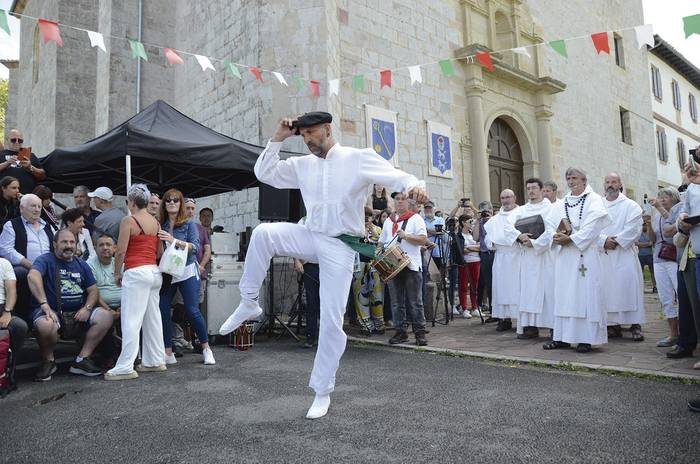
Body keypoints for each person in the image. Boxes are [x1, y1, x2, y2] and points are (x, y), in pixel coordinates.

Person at [218, 112, 427, 419]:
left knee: (330, 318)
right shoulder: (303, 165)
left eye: (311, 133)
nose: (307, 140)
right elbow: (264, 172)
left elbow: (398, 177)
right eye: (302, 136)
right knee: (263, 234)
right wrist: (277, 138)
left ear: (328, 129)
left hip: (340, 246)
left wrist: (416, 186)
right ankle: (249, 302)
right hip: (310, 235)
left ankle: (322, 391)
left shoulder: (358, 158)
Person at [27, 228, 113, 380]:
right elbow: (32, 276)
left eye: (72, 242)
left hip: (79, 313)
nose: (69, 246)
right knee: (46, 325)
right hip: (52, 312)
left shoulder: (81, 264)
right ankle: (49, 361)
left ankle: (81, 360)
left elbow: (93, 291)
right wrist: (44, 304)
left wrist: (87, 308)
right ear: (55, 244)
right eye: (64, 242)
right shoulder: (45, 260)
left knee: (105, 316)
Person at [544, 168, 611, 353]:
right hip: (564, 257)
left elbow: (593, 227)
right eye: (568, 178)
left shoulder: (594, 200)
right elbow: (549, 225)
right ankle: (562, 337)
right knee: (564, 296)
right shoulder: (562, 203)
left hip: (585, 256)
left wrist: (572, 239)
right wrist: (556, 237)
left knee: (584, 296)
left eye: (574, 178)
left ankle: (586, 338)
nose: (571, 181)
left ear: (584, 180)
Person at [105, 185, 165, 380]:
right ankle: (155, 360)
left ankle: (125, 366)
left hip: (136, 272)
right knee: (153, 318)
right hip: (154, 272)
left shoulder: (129, 220)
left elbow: (121, 250)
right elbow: (159, 253)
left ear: (131, 202)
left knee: (131, 320)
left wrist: (116, 273)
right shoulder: (155, 222)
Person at [158, 188, 215, 366]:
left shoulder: (189, 224)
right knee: (163, 309)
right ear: (164, 204)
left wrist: (173, 241)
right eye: (168, 200)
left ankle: (206, 348)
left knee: (192, 309)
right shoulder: (161, 224)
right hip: (168, 271)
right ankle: (168, 351)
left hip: (188, 269)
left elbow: (196, 247)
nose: (172, 202)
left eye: (176, 200)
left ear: (180, 203)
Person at [598, 173, 645, 341]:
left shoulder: (631, 206)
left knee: (628, 287)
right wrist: (603, 241)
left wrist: (616, 241)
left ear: (620, 184)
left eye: (614, 182)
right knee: (608, 290)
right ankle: (613, 325)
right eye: (607, 182)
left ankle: (635, 324)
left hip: (624, 254)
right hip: (604, 255)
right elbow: (590, 227)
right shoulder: (598, 206)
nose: (610, 185)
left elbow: (634, 228)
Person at [379, 192, 429, 345]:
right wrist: (378, 251)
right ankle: (400, 332)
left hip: (411, 264)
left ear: (408, 202)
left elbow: (423, 240)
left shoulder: (415, 218)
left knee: (415, 302)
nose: (399, 202)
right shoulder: (389, 221)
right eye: (397, 199)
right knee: (396, 302)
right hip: (392, 265)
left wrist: (406, 236)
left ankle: (420, 333)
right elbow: (382, 241)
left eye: (403, 199)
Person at [0, 194, 54, 322]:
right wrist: (28, 263)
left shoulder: (47, 226)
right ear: (22, 208)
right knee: (20, 273)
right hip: (26, 267)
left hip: (48, 267)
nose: (36, 209)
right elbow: (5, 249)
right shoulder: (12, 225)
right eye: (33, 206)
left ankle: (54, 312)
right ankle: (23, 315)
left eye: (39, 207)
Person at [514, 178, 554, 339]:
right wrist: (519, 236)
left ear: (541, 189)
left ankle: (552, 326)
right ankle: (530, 326)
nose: (531, 191)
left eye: (534, 188)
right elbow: (508, 226)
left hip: (544, 256)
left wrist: (536, 243)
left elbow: (551, 230)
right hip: (527, 258)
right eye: (528, 188)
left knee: (548, 291)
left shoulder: (550, 208)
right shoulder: (521, 210)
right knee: (528, 291)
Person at [647, 187, 681, 347]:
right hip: (658, 257)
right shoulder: (656, 214)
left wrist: (659, 208)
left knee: (681, 295)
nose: (661, 200)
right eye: (660, 197)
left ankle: (688, 332)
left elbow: (671, 231)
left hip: (674, 256)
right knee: (666, 297)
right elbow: (653, 238)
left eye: (665, 197)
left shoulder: (677, 211)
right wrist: (648, 224)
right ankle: (673, 333)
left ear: (673, 198)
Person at [484, 189, 521, 332]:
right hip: (500, 257)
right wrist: (493, 243)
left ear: (515, 198)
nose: (505, 200)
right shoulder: (495, 219)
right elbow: (487, 239)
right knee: (501, 288)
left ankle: (523, 320)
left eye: (508, 197)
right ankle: (504, 319)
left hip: (517, 256)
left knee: (518, 287)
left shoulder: (522, 214)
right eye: (503, 198)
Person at [352, 206, 385, 335]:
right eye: (364, 216)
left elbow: (382, 244)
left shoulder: (378, 229)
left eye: (369, 216)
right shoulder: (354, 230)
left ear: (373, 218)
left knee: (376, 295)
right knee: (360, 295)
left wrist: (373, 232)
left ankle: (379, 324)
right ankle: (366, 325)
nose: (366, 218)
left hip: (373, 265)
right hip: (359, 265)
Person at [0, 255, 27, 392]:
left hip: (3, 308)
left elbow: (11, 291)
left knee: (19, 326)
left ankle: (8, 374)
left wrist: (7, 311)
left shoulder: (4, 263)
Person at [0, 129, 46, 194]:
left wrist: (30, 168)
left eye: (20, 140)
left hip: (27, 197)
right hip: (4, 197)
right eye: (13, 140)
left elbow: (42, 175)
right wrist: (6, 163)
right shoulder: (1, 154)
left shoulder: (30, 155)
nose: (17, 142)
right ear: (7, 141)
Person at [87, 234, 121, 317]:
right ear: (95, 249)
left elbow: (129, 289)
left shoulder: (121, 264)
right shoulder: (89, 265)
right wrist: (108, 309)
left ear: (114, 248)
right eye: (101, 245)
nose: (105, 247)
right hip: (100, 307)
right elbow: (93, 292)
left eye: (108, 245)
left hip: (123, 306)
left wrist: (123, 307)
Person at [458, 214, 481, 318]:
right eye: (469, 221)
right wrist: (474, 247)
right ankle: (464, 308)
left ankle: (475, 307)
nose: (471, 223)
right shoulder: (459, 235)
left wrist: (470, 247)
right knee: (463, 285)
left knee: (474, 285)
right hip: (465, 262)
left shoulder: (473, 234)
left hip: (476, 261)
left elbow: (481, 247)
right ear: (463, 222)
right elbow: (462, 250)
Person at [475, 200, 495, 320]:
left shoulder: (495, 221)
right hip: (484, 254)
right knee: (489, 284)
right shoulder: (480, 222)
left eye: (486, 212)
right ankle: (493, 312)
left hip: (495, 253)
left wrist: (491, 219)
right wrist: (478, 220)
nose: (484, 215)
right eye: (482, 212)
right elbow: (476, 237)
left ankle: (500, 313)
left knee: (497, 283)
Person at [636, 222, 656, 292]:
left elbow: (652, 242)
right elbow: (637, 244)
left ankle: (655, 286)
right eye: (643, 225)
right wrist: (647, 244)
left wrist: (642, 245)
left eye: (645, 225)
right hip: (640, 255)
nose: (644, 226)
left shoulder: (649, 233)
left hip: (650, 254)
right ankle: (641, 287)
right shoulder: (638, 234)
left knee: (653, 272)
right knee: (641, 272)